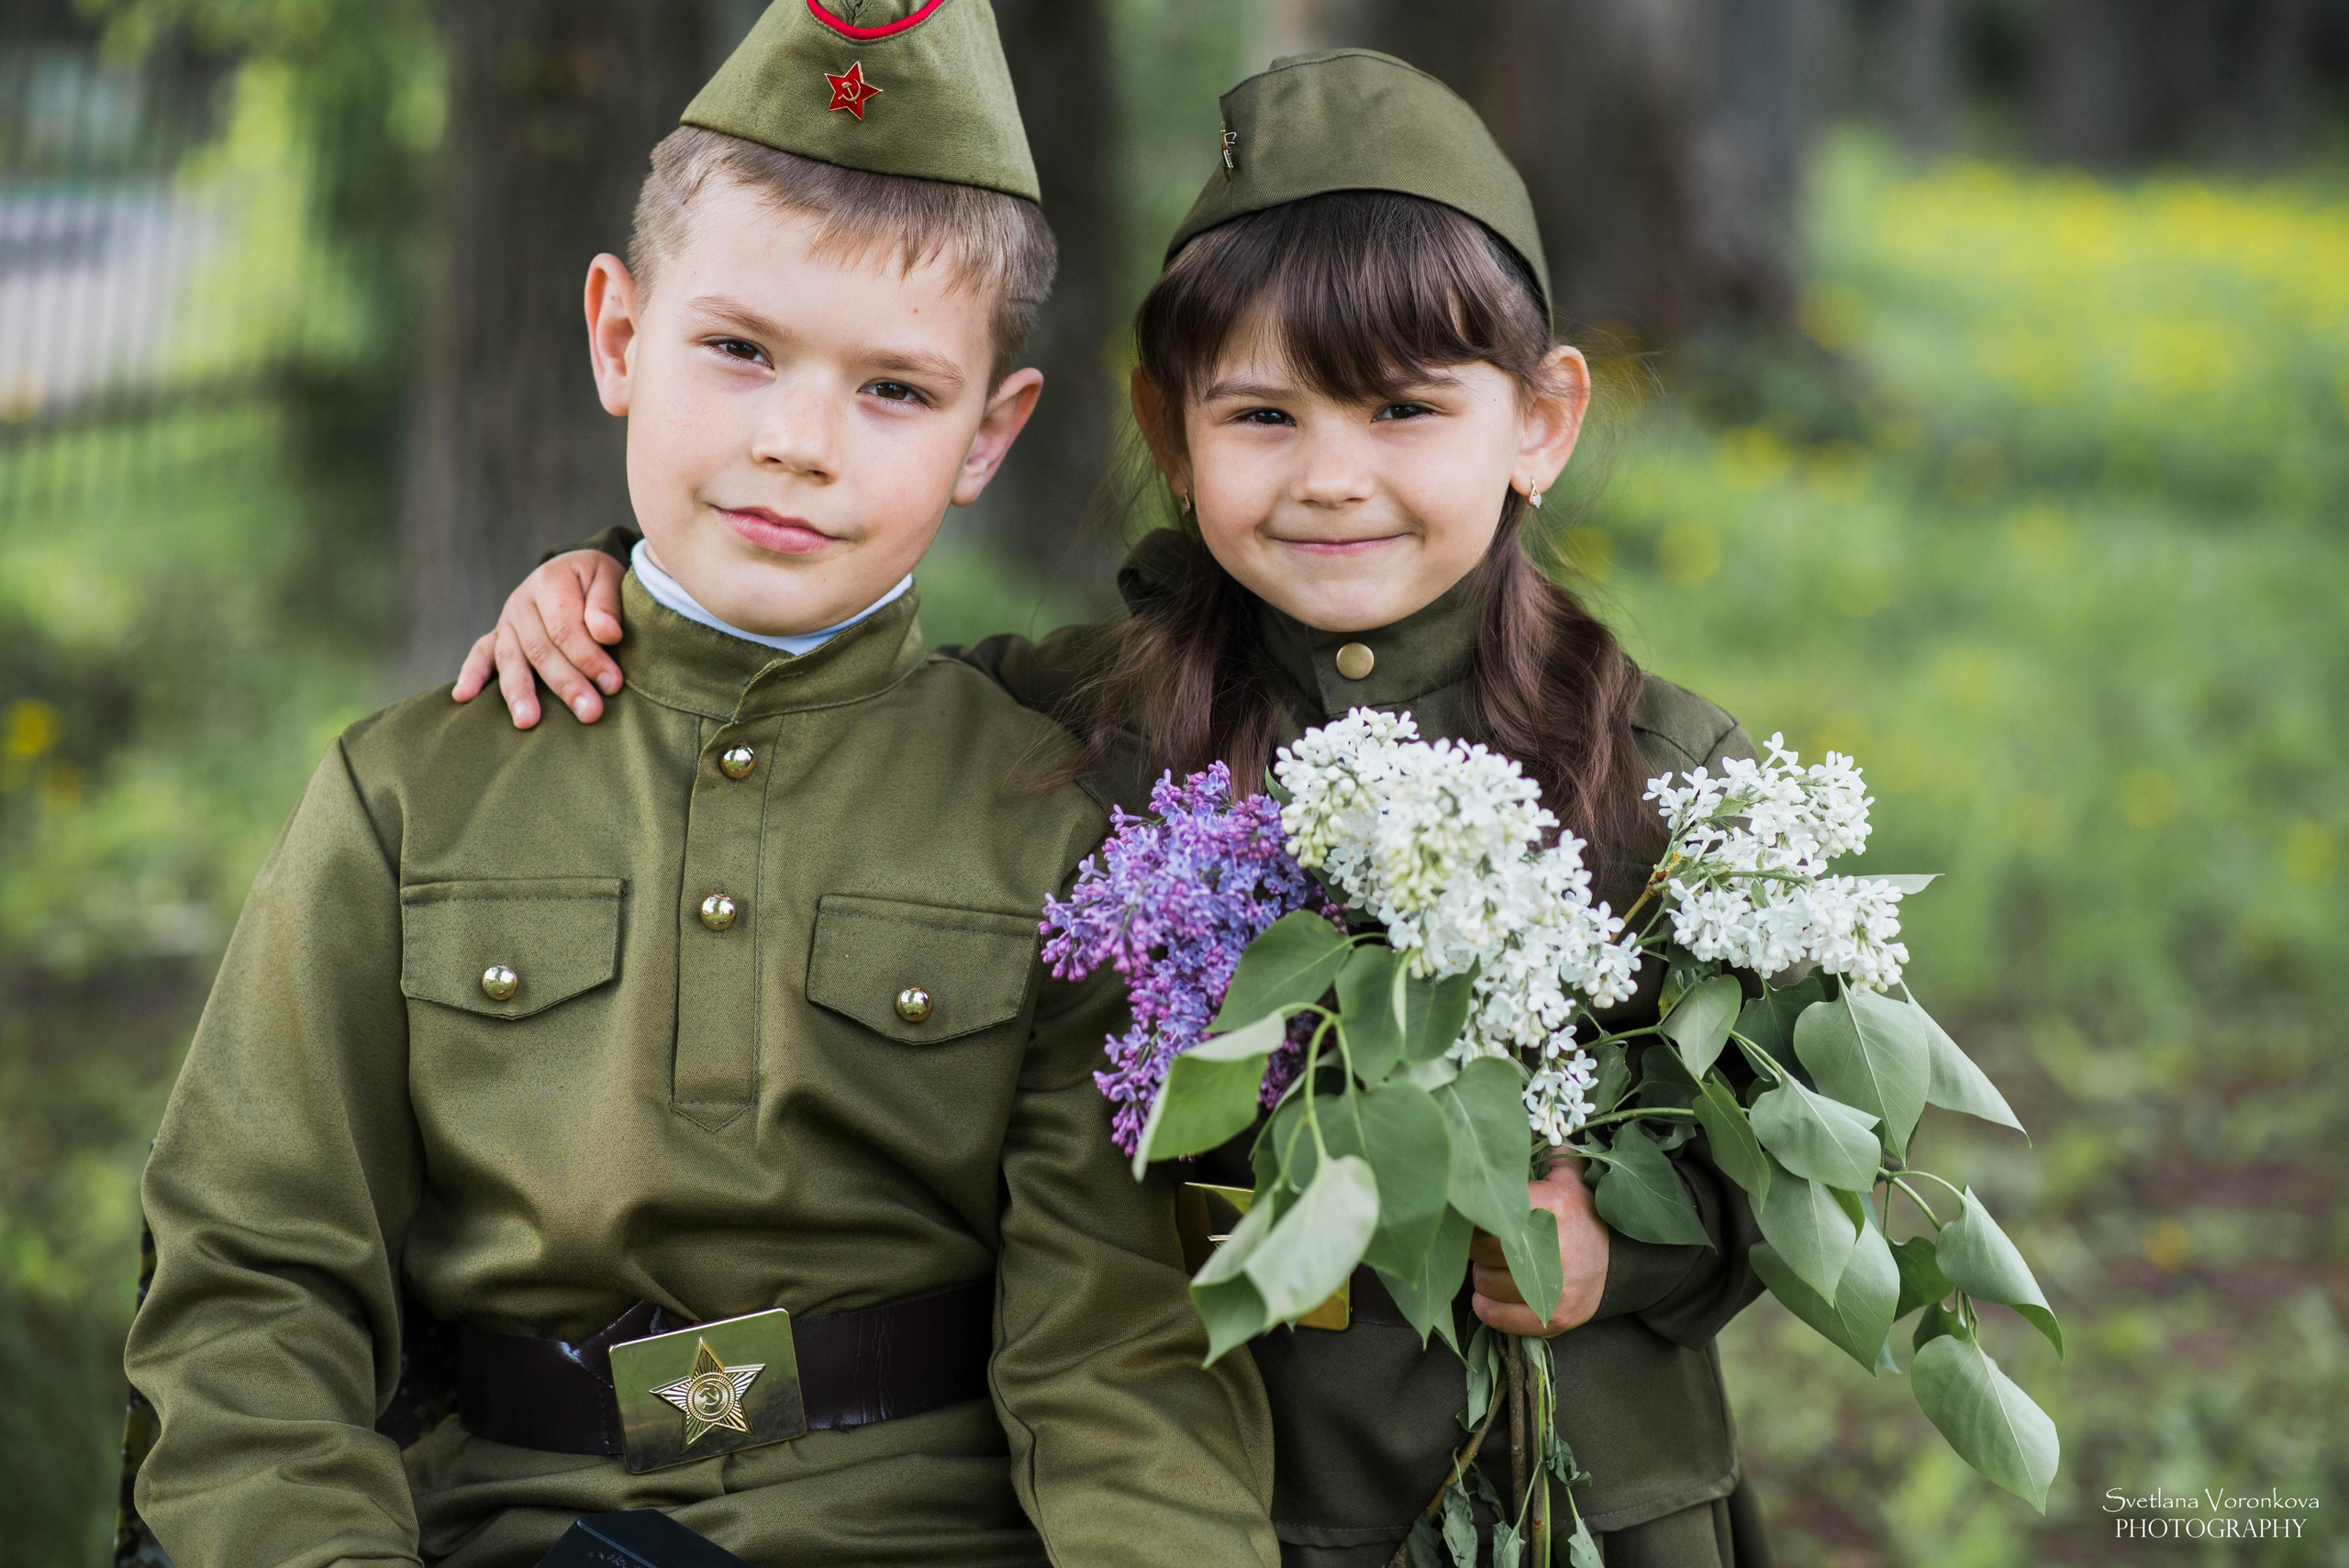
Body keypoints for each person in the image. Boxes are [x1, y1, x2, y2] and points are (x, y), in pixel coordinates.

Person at [462, 49, 1775, 1568]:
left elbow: (1791, 1123)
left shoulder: (1653, 765)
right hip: (1204, 1490)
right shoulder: (1083, 721)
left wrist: (1629, 1237)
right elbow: (819, 685)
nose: (1333, 476)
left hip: (1570, 1499)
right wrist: (610, 582)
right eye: (1264, 415)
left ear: (1540, 421)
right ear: (1170, 431)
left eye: (1404, 408)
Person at [121, 4, 1281, 1565]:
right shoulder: (410, 798)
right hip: (508, 1527)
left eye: (895, 389)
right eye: (738, 350)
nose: (798, 441)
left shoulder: (1057, 828)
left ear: (989, 434)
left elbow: (1121, 1360)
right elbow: (251, 1289)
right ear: (619, 336)